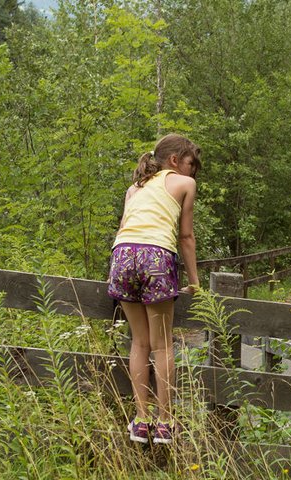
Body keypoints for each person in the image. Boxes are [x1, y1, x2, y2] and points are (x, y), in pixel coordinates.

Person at [109, 133, 202, 445]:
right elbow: (185, 237)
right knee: (162, 346)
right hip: (155, 256)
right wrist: (195, 281)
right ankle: (165, 421)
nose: (193, 172)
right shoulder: (183, 183)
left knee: (140, 343)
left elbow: (124, 228)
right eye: (191, 164)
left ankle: (140, 420)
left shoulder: (134, 188)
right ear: (175, 161)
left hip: (122, 256)